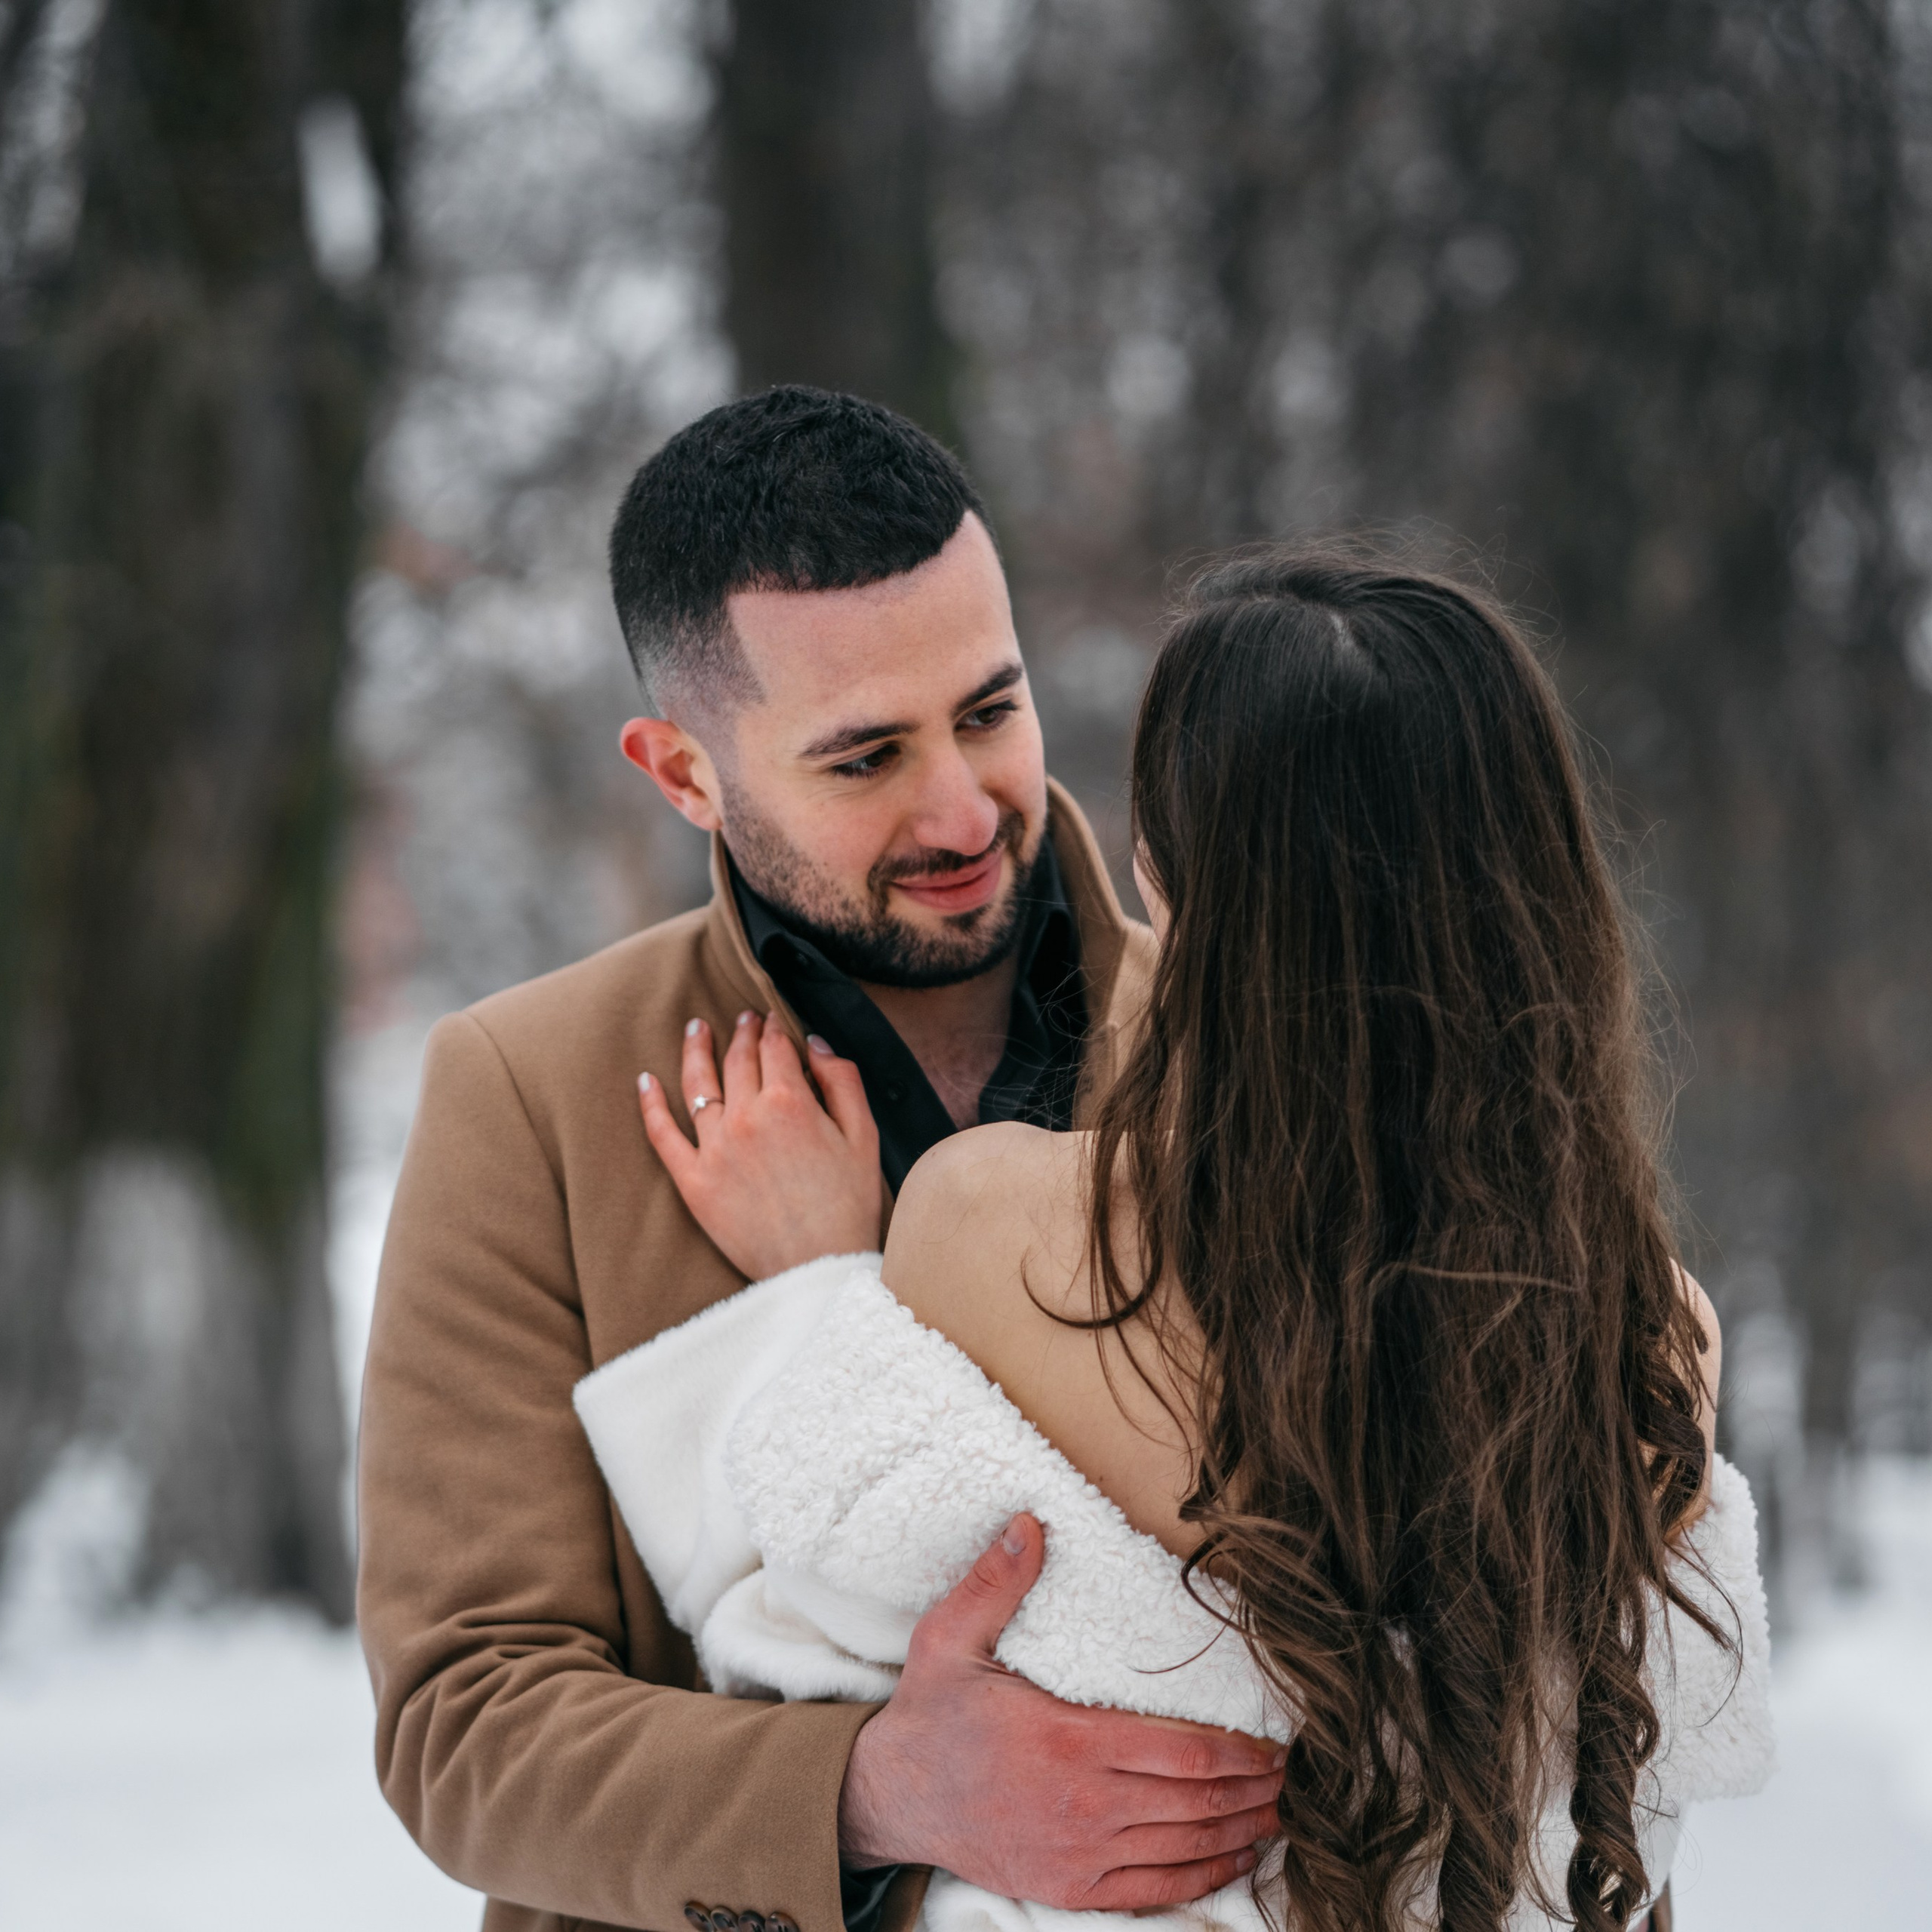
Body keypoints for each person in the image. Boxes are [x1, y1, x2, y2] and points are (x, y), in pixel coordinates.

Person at [580, 549, 1774, 1932]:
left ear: (1166, 875)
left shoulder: (996, 1229)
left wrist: (818, 1289)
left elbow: (819, 1621)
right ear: (1542, 886)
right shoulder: (1656, 1335)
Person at [357, 387, 1287, 1932]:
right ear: (682, 771)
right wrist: (871, 1787)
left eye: (988, 710)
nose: (959, 805)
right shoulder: (529, 1094)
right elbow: (465, 1719)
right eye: (862, 759)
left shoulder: (1260, 1036)